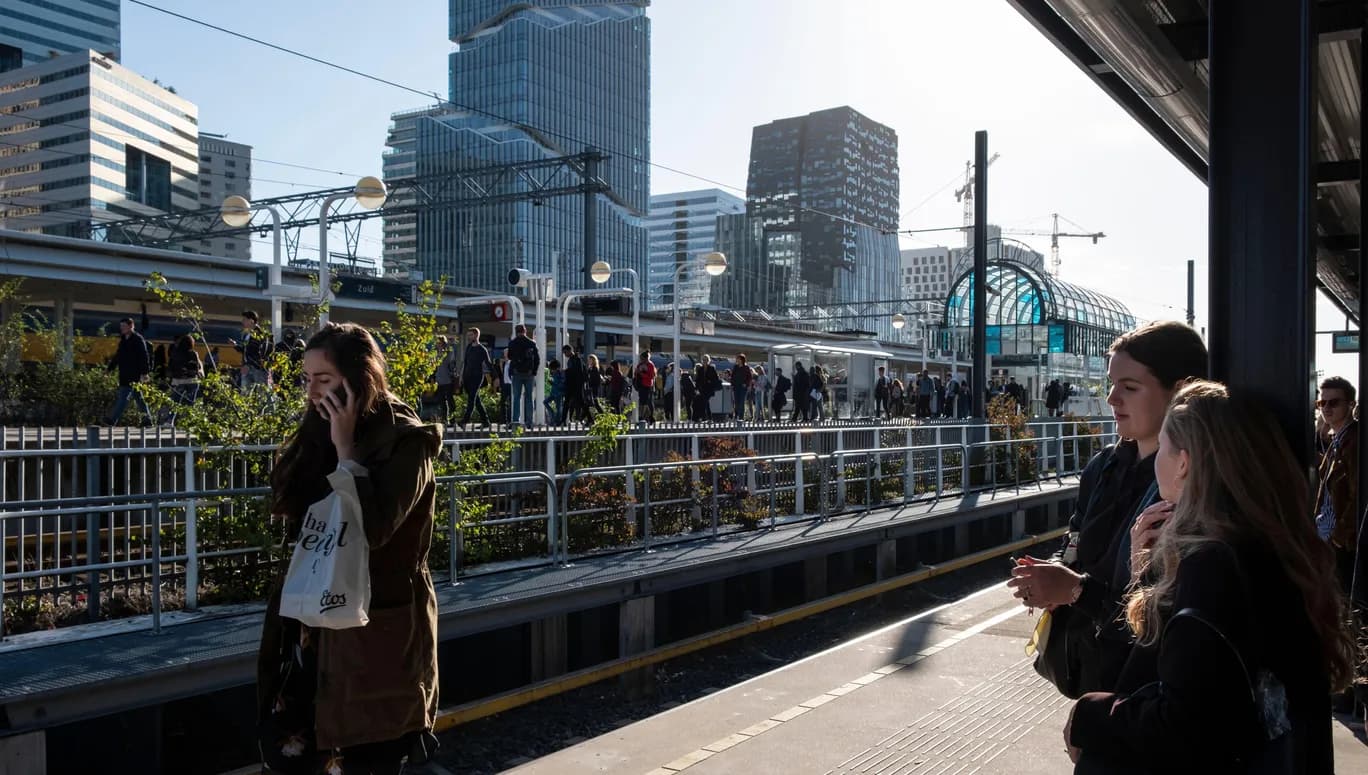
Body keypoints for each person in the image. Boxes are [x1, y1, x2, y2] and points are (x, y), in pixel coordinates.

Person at [1064, 381, 1355, 773]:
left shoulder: (1212, 567)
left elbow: (1186, 722)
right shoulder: (1271, 549)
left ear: (1184, 463)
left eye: (1163, 448)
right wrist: (1145, 576)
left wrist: (1089, 716)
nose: (1155, 461)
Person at [257, 323, 441, 775]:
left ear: (359, 377)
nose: (313, 391)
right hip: (311, 627)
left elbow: (376, 528)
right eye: (307, 379)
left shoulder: (406, 439)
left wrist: (346, 454)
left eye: (324, 379)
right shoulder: (319, 425)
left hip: (373, 629)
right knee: (296, 754)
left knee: (364, 753)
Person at [1008, 320, 1208, 698]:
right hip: (1092, 673)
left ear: (1180, 390)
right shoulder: (1103, 467)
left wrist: (1077, 591)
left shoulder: (1189, 488)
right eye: (1112, 384)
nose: (1112, 398)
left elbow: (1165, 611)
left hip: (1143, 687)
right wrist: (1050, 580)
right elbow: (1077, 538)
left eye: (1130, 387)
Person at [105, 317, 153, 426]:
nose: (121, 328)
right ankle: (147, 420)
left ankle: (112, 420)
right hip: (124, 372)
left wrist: (145, 372)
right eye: (121, 326)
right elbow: (118, 356)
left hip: (134, 373)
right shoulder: (123, 340)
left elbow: (144, 356)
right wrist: (110, 368)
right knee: (138, 398)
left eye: (124, 326)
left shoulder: (138, 339)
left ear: (131, 326)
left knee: (123, 397)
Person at [457, 328, 491, 429]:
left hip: (477, 377)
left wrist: (495, 377)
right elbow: (465, 362)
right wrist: (461, 376)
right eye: (468, 335)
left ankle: (464, 421)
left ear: (476, 335)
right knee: (476, 401)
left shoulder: (482, 349)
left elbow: (488, 363)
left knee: (471, 399)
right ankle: (486, 421)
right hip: (467, 377)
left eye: (471, 335)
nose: (469, 337)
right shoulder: (468, 347)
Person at [505, 324, 539, 427]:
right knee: (529, 398)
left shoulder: (512, 343)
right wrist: (533, 371)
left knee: (516, 398)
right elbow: (537, 359)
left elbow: (510, 356)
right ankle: (529, 422)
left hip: (517, 374)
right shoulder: (532, 343)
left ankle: (516, 421)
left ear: (516, 331)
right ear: (525, 331)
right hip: (529, 374)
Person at [167, 333, 203, 422]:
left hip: (178, 381)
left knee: (175, 402)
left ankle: (170, 421)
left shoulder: (174, 353)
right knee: (191, 402)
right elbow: (196, 367)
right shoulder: (193, 353)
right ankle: (189, 421)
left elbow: (170, 367)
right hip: (192, 380)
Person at [234, 309, 272, 391]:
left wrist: (249, 365)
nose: (242, 322)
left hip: (258, 369)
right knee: (245, 393)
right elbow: (247, 350)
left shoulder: (260, 334)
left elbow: (259, 352)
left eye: (244, 319)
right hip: (248, 367)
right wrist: (236, 346)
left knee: (263, 394)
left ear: (251, 321)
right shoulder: (247, 334)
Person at [432, 336, 458, 423]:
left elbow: (451, 363)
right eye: (437, 343)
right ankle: (444, 419)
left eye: (440, 343)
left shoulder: (448, 352)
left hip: (448, 379)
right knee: (441, 401)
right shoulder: (435, 353)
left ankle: (452, 419)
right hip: (439, 380)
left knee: (450, 400)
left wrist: (449, 346)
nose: (438, 345)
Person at [633, 351, 656, 423]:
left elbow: (651, 376)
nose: (641, 360)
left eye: (642, 358)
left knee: (647, 402)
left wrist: (641, 374)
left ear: (646, 358)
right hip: (641, 385)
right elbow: (636, 373)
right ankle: (643, 416)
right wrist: (637, 372)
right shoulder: (640, 364)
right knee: (642, 401)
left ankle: (647, 416)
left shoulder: (650, 365)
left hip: (648, 385)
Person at [731, 354, 753, 421]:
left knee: (741, 402)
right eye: (737, 358)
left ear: (741, 360)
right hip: (736, 387)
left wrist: (746, 384)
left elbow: (749, 377)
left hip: (743, 388)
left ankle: (741, 417)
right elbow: (732, 376)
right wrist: (732, 384)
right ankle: (736, 415)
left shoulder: (746, 367)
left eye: (738, 358)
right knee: (736, 402)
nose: (737, 360)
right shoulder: (735, 367)